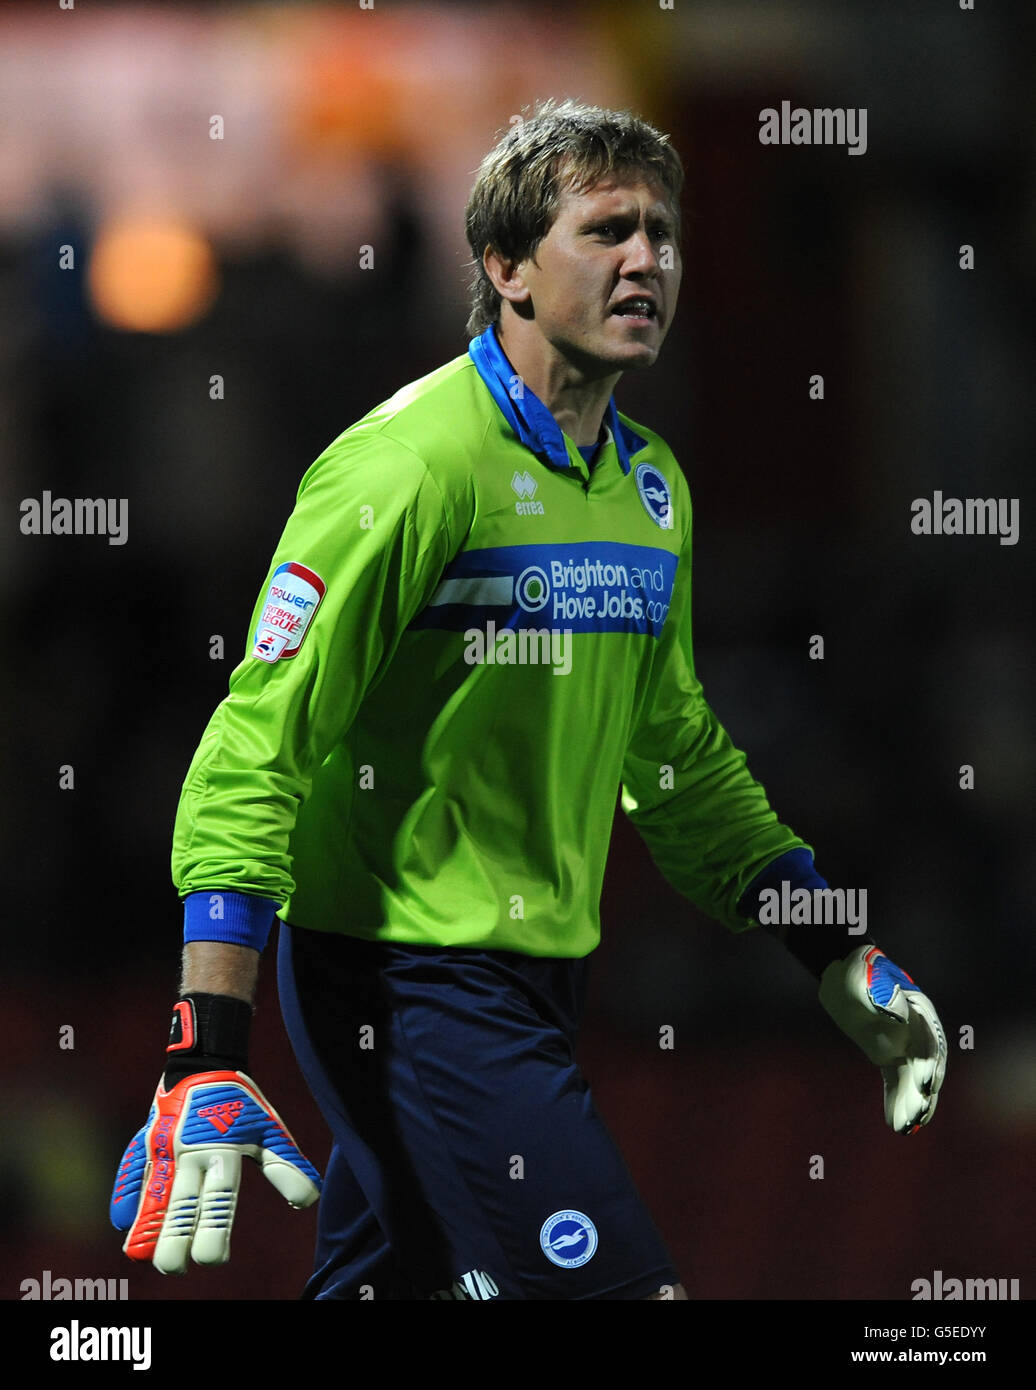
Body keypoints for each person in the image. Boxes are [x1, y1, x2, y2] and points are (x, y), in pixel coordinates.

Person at [111, 98, 946, 1301]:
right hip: (405, 980)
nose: (647, 259)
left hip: (540, 981)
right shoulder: (409, 466)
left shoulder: (652, 488)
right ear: (503, 264)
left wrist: (832, 944)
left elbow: (673, 756)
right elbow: (256, 744)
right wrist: (205, 1048)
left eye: (661, 232)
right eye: (607, 229)